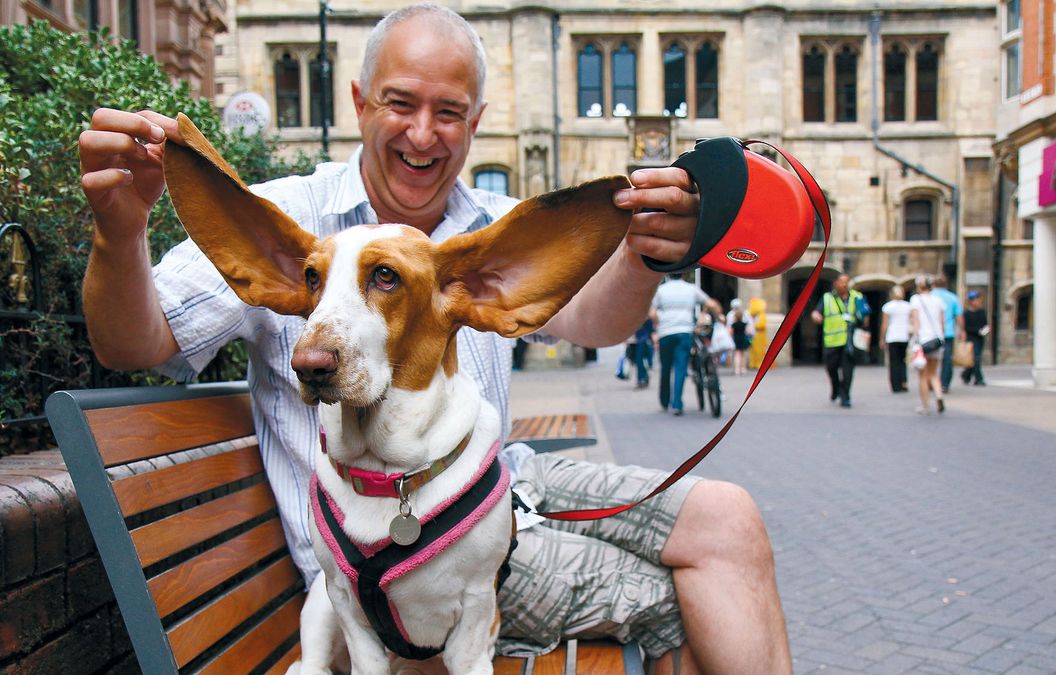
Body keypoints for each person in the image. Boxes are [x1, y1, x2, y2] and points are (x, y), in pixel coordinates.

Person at [77, 5, 790, 671]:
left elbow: (595, 322)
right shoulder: (290, 221)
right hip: (398, 562)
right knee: (679, 593)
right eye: (400, 104)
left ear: (476, 121)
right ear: (359, 102)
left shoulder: (494, 225)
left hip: (499, 484)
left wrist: (643, 253)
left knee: (726, 518)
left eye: (448, 112)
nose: (423, 134)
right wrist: (119, 229)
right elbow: (136, 344)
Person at [651, 274, 718, 416]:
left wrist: (659, 323)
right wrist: (715, 314)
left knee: (665, 368)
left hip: (665, 333)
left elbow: (651, 313)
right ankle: (677, 404)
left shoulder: (661, 290)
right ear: (683, 274)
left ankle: (664, 400)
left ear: (668, 274)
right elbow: (711, 304)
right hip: (684, 332)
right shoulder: (691, 289)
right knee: (680, 368)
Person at [810, 274, 869, 408]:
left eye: (846, 282)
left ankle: (845, 396)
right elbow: (817, 312)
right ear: (835, 283)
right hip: (832, 340)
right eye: (841, 282)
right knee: (831, 367)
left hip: (850, 341)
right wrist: (815, 316)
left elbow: (865, 315)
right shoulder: (827, 298)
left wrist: (864, 319)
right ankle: (836, 386)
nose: (844, 285)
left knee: (848, 369)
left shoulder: (857, 297)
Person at [910, 275, 948, 414]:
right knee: (933, 373)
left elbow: (916, 321)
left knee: (923, 375)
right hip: (937, 340)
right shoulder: (938, 300)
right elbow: (942, 322)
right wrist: (941, 337)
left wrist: (915, 338)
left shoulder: (916, 299)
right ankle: (939, 395)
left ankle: (925, 406)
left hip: (923, 340)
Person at [931, 276, 965, 393]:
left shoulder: (930, 297)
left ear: (933, 285)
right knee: (947, 359)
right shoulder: (953, 297)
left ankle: (931, 381)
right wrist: (962, 330)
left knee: (931, 359)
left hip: (932, 333)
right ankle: (944, 384)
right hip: (948, 332)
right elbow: (959, 316)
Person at [879, 285, 912, 393]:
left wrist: (882, 338)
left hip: (892, 336)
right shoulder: (908, 306)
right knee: (902, 360)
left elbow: (885, 324)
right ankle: (903, 381)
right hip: (904, 336)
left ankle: (895, 385)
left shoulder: (888, 306)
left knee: (894, 361)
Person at [961, 290, 989, 386]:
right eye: (976, 299)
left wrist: (986, 330)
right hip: (971, 338)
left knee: (973, 359)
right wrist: (977, 331)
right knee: (976, 358)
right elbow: (966, 327)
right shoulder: (966, 313)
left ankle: (966, 375)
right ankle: (979, 379)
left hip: (980, 338)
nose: (978, 302)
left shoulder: (981, 312)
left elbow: (985, 324)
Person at [726, 298, 754, 376]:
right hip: (743, 338)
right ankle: (743, 368)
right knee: (743, 354)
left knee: (736, 354)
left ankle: (737, 369)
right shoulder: (745, 319)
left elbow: (730, 331)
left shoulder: (731, 319)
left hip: (735, 339)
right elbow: (749, 331)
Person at [747, 296, 771, 370]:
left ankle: (760, 364)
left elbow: (762, 325)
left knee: (760, 351)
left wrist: (754, 325)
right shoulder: (752, 316)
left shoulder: (761, 315)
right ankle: (753, 363)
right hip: (754, 335)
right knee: (753, 350)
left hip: (760, 336)